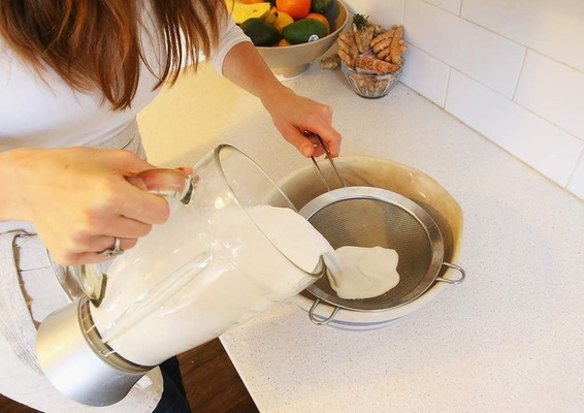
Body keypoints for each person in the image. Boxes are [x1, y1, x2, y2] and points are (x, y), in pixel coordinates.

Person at [0, 1, 342, 411]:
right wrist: (27, 183)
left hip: (135, 215)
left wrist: (275, 94)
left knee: (163, 358)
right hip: (20, 251)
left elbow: (211, 25)